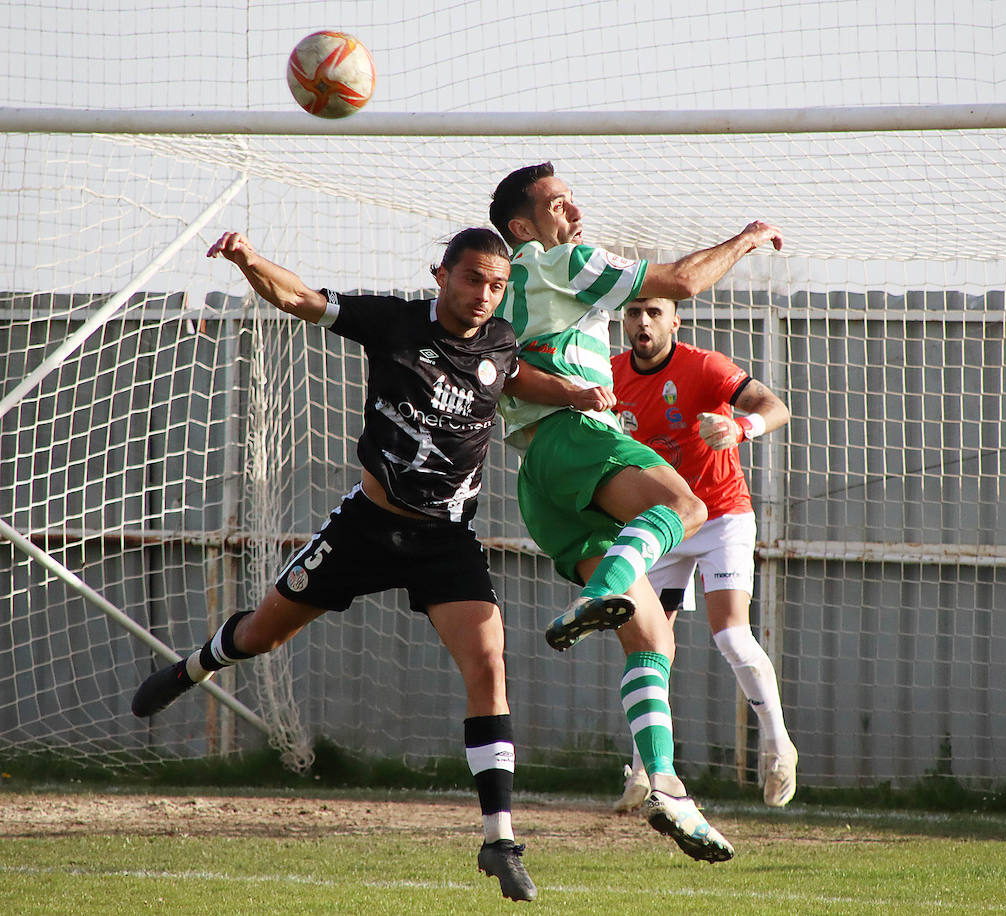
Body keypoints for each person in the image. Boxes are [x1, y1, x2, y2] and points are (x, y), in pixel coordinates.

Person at [130, 227, 602, 902]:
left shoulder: (499, 341)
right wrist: (249, 260)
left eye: (497, 285)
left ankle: (500, 840)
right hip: (367, 528)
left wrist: (579, 394)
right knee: (262, 635)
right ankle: (191, 667)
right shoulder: (395, 323)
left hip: (446, 540)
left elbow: (520, 377)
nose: (483, 294)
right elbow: (299, 300)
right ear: (442, 275)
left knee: (489, 664)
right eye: (472, 279)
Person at [488, 161, 783, 863]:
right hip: (577, 438)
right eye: (559, 203)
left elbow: (499, 371)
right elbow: (682, 280)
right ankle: (599, 593)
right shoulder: (563, 261)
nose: (575, 211)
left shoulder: (494, 297)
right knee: (685, 503)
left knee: (653, 641)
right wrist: (745, 238)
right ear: (524, 227)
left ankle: (668, 788)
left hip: (536, 475)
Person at [609, 296, 798, 811]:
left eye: (653, 311)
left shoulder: (706, 366)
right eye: (632, 313)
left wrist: (741, 428)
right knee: (649, 644)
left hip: (721, 517)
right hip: (667, 519)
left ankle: (779, 746)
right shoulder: (609, 376)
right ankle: (646, 770)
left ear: (675, 320)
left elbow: (774, 406)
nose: (642, 322)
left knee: (732, 636)